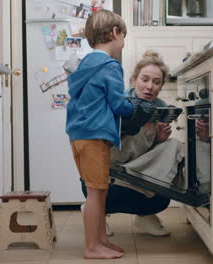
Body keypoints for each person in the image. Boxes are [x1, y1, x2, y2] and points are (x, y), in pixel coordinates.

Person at [81, 50, 176, 237]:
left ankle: (145, 215)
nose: (150, 86)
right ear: (134, 80)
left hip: (137, 171)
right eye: (145, 79)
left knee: (173, 147)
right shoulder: (119, 102)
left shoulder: (161, 107)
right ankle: (96, 213)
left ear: (161, 86)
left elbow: (151, 156)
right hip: (109, 175)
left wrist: (159, 140)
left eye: (156, 82)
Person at [66, 10, 133, 259]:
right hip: (95, 135)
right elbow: (118, 104)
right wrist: (132, 107)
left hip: (79, 135)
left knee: (100, 189)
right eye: (123, 37)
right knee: (96, 192)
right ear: (115, 32)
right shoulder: (110, 66)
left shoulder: (84, 65)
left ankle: (101, 240)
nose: (123, 44)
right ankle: (91, 247)